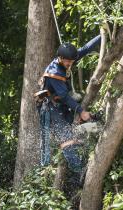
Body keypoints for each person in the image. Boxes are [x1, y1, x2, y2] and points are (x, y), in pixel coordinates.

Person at [38, 35, 101, 172]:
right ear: (60, 58)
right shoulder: (54, 73)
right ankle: (80, 172)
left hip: (61, 104)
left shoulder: (68, 59)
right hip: (49, 107)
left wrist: (102, 36)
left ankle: (83, 159)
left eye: (71, 61)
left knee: (75, 132)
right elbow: (65, 97)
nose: (70, 64)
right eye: (67, 62)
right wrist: (81, 111)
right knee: (67, 140)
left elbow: (85, 48)